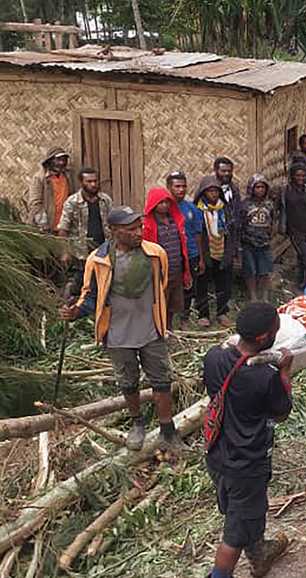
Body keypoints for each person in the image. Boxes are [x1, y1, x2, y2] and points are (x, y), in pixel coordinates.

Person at [60, 206, 180, 451]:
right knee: (128, 381)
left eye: (139, 227)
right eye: (131, 229)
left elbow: (163, 284)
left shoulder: (155, 254)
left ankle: (168, 431)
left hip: (150, 328)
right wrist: (75, 312)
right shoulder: (98, 260)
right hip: (117, 332)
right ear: (114, 231)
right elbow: (91, 296)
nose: (139, 233)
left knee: (161, 380)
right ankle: (137, 423)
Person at [203, 302, 293, 578]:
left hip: (217, 454)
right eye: (276, 328)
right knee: (235, 530)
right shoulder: (264, 377)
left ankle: (259, 552)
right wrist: (285, 372)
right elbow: (281, 413)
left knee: (244, 512)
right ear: (264, 338)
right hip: (246, 463)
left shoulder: (214, 357)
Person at [141, 187, 192, 330]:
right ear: (153, 204)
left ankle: (169, 327)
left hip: (176, 267)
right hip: (159, 270)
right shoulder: (149, 225)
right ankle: (159, 329)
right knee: (160, 300)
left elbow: (182, 243)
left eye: (167, 202)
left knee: (173, 302)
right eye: (160, 203)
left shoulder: (175, 220)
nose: (164, 206)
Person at [56, 167, 112, 293]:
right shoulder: (72, 202)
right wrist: (65, 252)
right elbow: (63, 228)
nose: (93, 184)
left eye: (95, 181)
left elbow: (111, 224)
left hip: (102, 249)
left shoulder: (105, 200)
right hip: (80, 252)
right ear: (82, 183)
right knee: (78, 285)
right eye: (89, 181)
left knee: (102, 284)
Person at [195, 176, 237, 328]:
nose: (213, 194)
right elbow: (196, 233)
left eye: (215, 191)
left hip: (223, 249)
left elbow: (232, 229)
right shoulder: (198, 210)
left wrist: (232, 251)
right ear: (203, 193)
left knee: (224, 283)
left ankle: (222, 312)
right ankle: (203, 314)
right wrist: (200, 256)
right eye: (209, 191)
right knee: (202, 283)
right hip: (206, 251)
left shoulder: (224, 209)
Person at [166, 172, 205, 324]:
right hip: (171, 256)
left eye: (183, 186)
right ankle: (167, 320)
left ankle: (184, 318)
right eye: (177, 186)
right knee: (169, 287)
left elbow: (198, 234)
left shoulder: (191, 209)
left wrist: (200, 258)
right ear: (169, 187)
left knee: (188, 287)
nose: (181, 189)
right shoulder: (164, 208)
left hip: (191, 254)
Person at [279, 163, 306, 288]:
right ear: (292, 176)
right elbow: (280, 208)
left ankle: (305, 283)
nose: (300, 178)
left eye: (303, 175)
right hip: (294, 230)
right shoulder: (285, 191)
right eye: (298, 175)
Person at [240, 175, 275, 302]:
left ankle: (264, 296)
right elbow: (241, 223)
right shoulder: (245, 205)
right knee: (250, 271)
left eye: (262, 187)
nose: (260, 190)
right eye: (257, 187)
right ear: (252, 188)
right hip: (248, 242)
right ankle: (253, 296)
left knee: (264, 271)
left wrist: (269, 235)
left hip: (264, 243)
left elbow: (272, 220)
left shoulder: (269, 204)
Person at [28, 147, 72, 232]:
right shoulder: (40, 178)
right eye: (58, 160)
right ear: (50, 161)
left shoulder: (67, 177)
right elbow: (35, 203)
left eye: (64, 160)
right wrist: (43, 223)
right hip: (45, 227)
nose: (61, 163)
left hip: (63, 226)